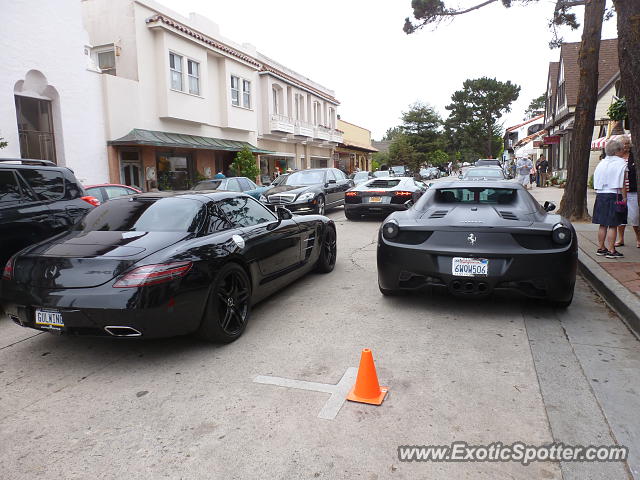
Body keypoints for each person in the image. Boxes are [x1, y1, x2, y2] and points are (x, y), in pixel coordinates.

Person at [592, 136, 629, 258]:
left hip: (601, 194)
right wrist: (624, 198)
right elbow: (622, 183)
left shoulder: (602, 162)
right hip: (614, 195)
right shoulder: (621, 163)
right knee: (613, 224)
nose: (623, 151)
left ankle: (601, 247)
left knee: (602, 224)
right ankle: (611, 250)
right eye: (622, 149)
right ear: (617, 151)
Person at [616, 138, 640, 248]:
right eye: (623, 144)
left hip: (632, 191)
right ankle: (620, 239)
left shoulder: (634, 156)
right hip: (619, 192)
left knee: (634, 216)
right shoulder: (617, 157)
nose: (625, 146)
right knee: (620, 215)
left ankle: (638, 238)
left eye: (626, 144)